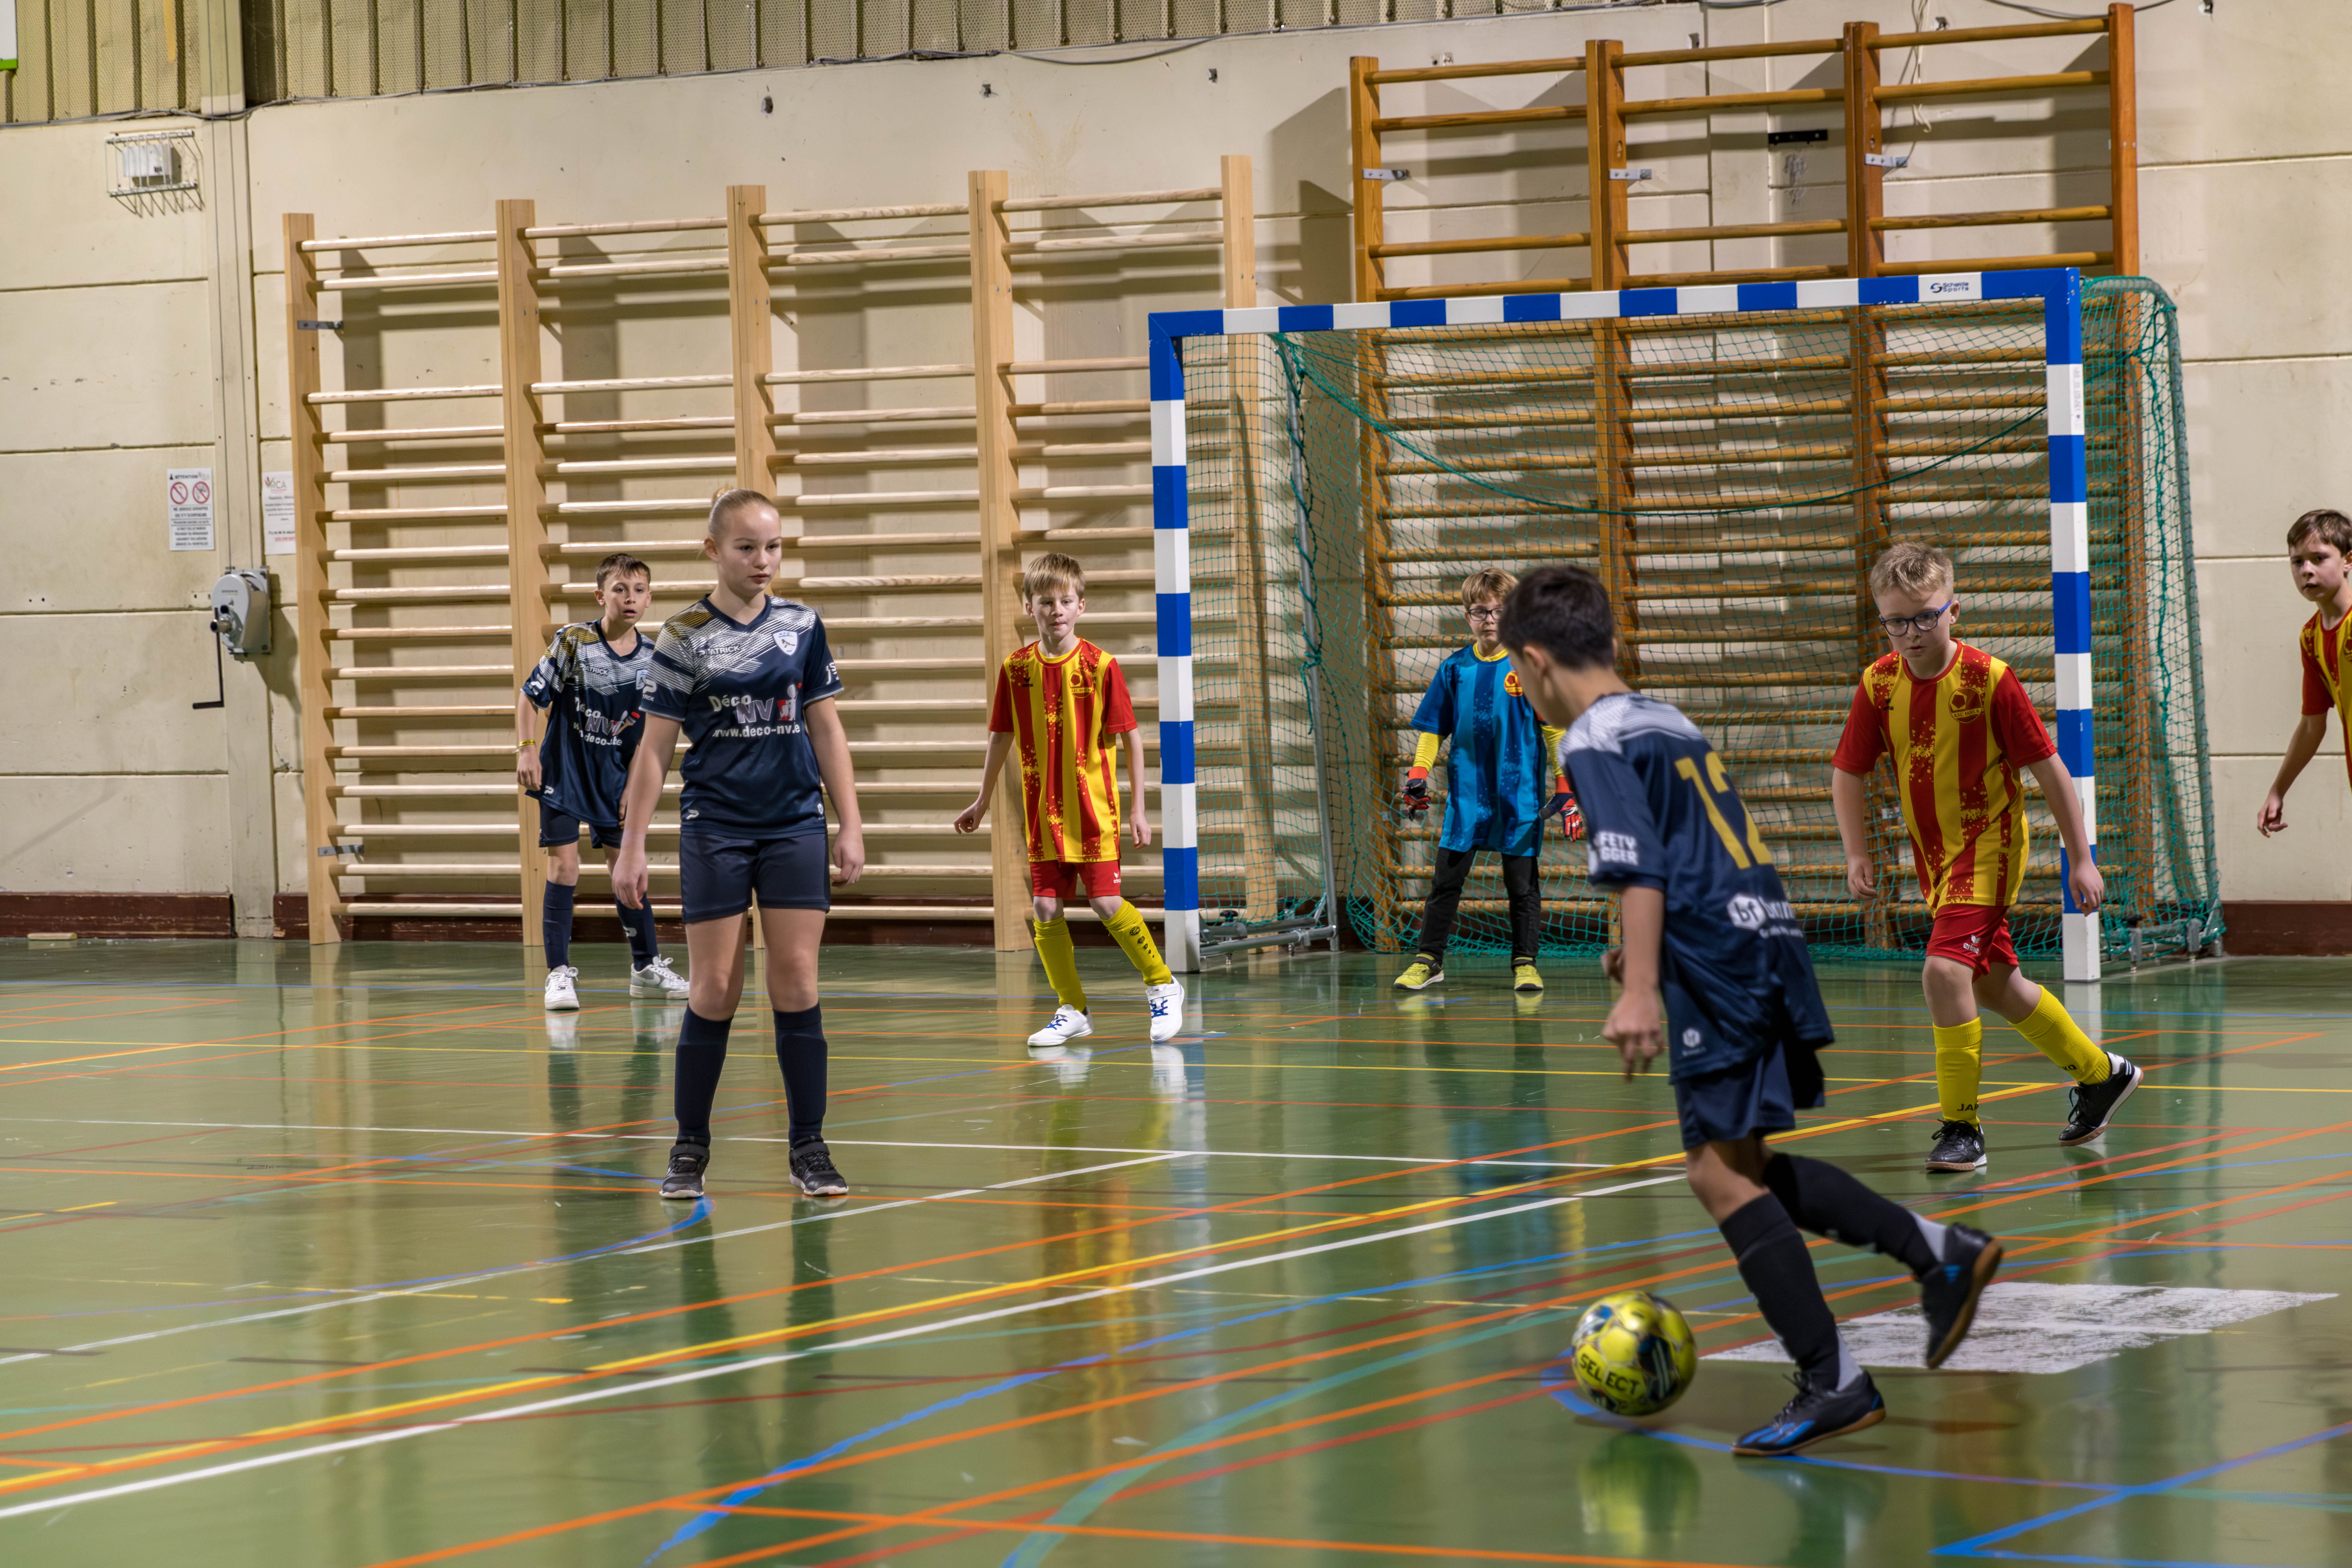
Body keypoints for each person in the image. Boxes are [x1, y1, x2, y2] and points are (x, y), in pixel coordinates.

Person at [1501, 563, 2003, 1458]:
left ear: (1536, 661)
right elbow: (1691, 851)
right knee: (1743, 1163)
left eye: (1515, 671)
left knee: (1718, 1175)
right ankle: (1939, 1253)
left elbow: (1640, 866)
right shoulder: (1665, 718)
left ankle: (1834, 1377)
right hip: (1764, 937)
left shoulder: (1591, 738)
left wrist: (1642, 987)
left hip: (1719, 965)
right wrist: (1643, 954)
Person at [1829, 542, 2138, 1174]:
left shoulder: (1990, 680)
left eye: (1926, 617)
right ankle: (2100, 1074)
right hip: (1936, 863)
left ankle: (1962, 1128)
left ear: (1954, 611)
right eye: (1896, 622)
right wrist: (1856, 851)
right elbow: (1848, 771)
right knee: (1994, 984)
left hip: (1990, 849)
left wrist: (2081, 859)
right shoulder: (1879, 684)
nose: (1912, 633)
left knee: (1943, 973)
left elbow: (2050, 771)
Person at [613, 489, 865, 1201]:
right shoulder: (683, 635)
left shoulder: (802, 625)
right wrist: (632, 845)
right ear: (713, 551)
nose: (763, 560)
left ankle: (809, 1146)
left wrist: (850, 822)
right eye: (747, 547)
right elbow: (655, 751)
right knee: (715, 988)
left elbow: (826, 729)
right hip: (716, 827)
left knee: (798, 980)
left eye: (773, 546)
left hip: (794, 824)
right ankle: (689, 1146)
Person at [955, 553, 1184, 1048]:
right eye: (1045, 602)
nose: (1056, 610)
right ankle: (1072, 1007)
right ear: (1029, 607)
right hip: (1043, 814)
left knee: (1105, 902)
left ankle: (1163, 984)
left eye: (1065, 601)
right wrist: (982, 800)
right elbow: (1000, 736)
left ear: (1082, 606)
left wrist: (1139, 809)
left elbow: (1132, 737)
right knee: (1044, 906)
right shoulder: (1016, 669)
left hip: (1093, 812)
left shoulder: (1101, 665)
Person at [1391, 568, 1580, 996]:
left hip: (1520, 797)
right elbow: (1433, 730)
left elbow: (1554, 731)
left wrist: (1565, 787)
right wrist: (1418, 774)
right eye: (1480, 611)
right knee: (1445, 882)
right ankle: (1428, 959)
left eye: (1500, 610)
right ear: (1468, 617)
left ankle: (1525, 963)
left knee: (1522, 886)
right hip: (1467, 798)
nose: (1490, 618)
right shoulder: (1455, 668)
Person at [517, 552, 688, 1011]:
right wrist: (527, 748)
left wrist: (634, 786)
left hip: (616, 780)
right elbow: (530, 696)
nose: (630, 598)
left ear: (649, 599)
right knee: (564, 868)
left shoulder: (653, 660)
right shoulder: (574, 641)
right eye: (620, 589)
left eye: (639, 591)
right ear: (600, 596)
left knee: (626, 873)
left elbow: (651, 736)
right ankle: (558, 974)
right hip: (564, 773)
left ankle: (646, 968)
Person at [2257, 508, 2352, 839]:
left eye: (2319, 558)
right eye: (2297, 561)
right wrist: (2278, 790)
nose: (2306, 570)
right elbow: (2312, 725)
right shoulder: (2311, 637)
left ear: (2348, 560)